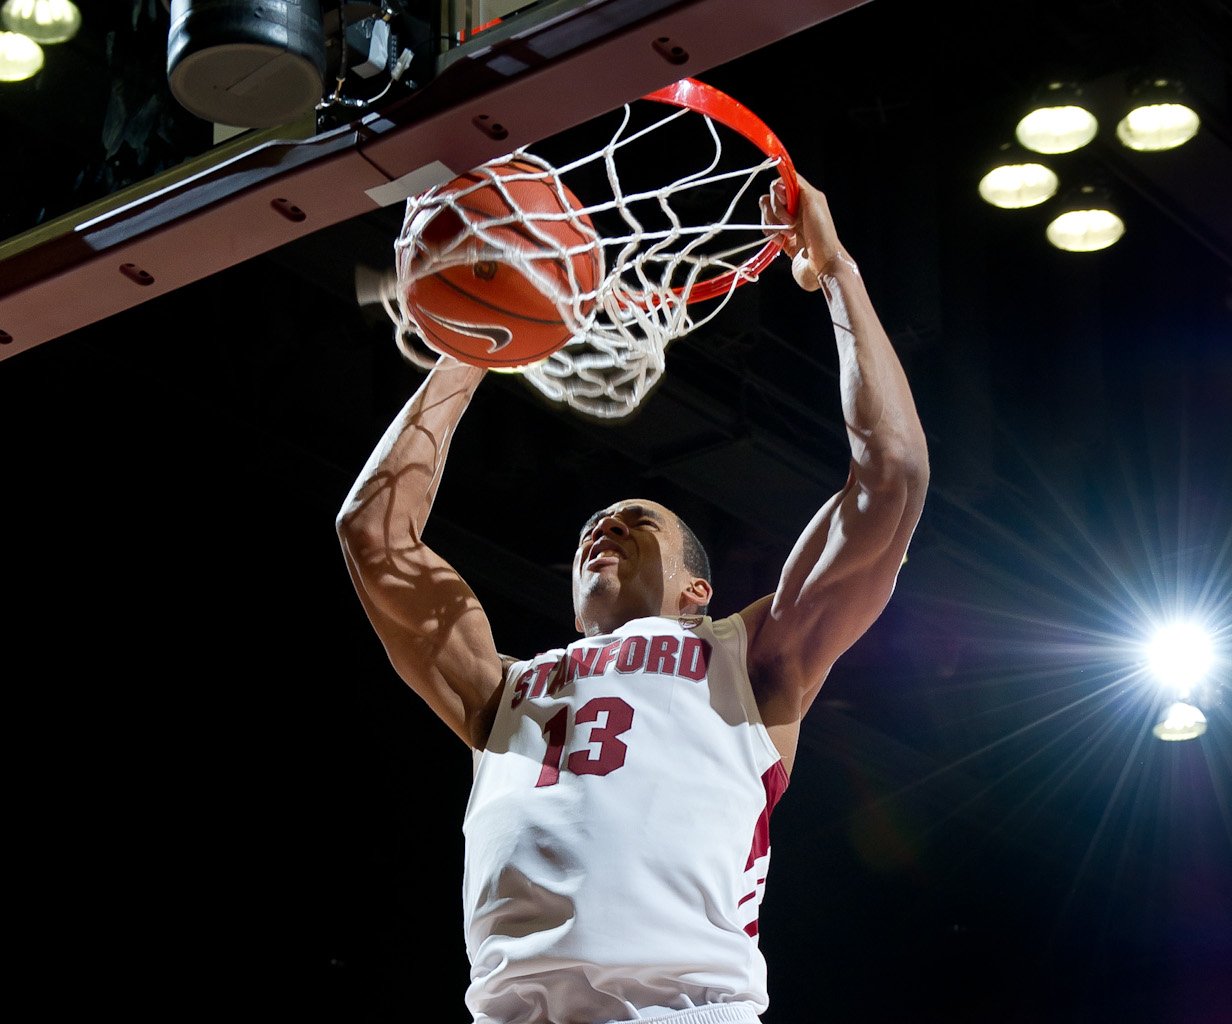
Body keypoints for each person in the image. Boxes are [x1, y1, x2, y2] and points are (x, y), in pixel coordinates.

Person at [336, 172, 930, 1024]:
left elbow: (892, 479)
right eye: (596, 522)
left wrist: (838, 273)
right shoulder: (503, 690)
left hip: (682, 1011)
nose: (605, 522)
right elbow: (374, 535)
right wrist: (481, 338)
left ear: (699, 587)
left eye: (638, 518)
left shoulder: (744, 658)